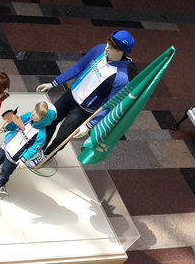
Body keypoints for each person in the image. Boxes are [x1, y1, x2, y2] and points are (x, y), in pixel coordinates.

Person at [28, 30, 134, 168]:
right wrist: (54, 83)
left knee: (63, 136)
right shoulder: (99, 50)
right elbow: (78, 67)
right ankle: (39, 147)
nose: (107, 48)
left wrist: (89, 125)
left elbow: (109, 106)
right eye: (108, 43)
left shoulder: (121, 78)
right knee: (49, 121)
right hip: (71, 94)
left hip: (84, 110)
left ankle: (47, 155)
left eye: (112, 47)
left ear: (122, 51)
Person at [0, 101, 57, 197]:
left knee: (4, 173)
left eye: (37, 114)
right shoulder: (27, 116)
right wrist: (6, 129)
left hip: (14, 158)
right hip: (6, 147)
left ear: (44, 119)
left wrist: (23, 159)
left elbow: (33, 149)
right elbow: (16, 123)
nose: (33, 113)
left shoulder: (41, 135)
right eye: (35, 110)